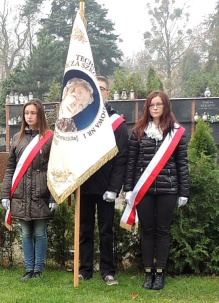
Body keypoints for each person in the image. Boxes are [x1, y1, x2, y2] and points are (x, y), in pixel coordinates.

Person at [123, 91, 190, 291]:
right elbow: (131, 163)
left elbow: (182, 164)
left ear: (166, 106)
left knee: (162, 231)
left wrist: (183, 191)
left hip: (167, 190)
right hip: (143, 191)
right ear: (147, 108)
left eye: (159, 104)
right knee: (147, 231)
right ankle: (148, 272)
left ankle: (160, 273)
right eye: (151, 105)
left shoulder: (176, 132)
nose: (155, 108)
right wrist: (128, 189)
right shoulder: (138, 131)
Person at [78, 76, 128, 285]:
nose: (99, 92)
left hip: (107, 186)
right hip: (86, 184)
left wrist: (114, 188)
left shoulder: (117, 123)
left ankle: (108, 270)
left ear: (108, 93)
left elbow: (121, 158)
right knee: (84, 229)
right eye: (95, 89)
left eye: (103, 88)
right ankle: (85, 269)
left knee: (106, 231)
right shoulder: (81, 119)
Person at [1, 99, 55, 280]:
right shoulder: (17, 138)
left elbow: (55, 168)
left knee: (40, 233)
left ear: (40, 114)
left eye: (33, 113)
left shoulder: (49, 137)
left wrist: (54, 197)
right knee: (25, 233)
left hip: (41, 194)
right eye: (27, 113)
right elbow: (10, 168)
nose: (29, 116)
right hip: (21, 194)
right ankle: (29, 268)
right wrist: (5, 193)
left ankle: (38, 269)